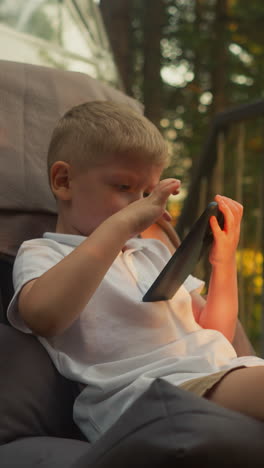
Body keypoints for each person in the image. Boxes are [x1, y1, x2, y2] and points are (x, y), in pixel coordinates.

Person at [7, 101, 264, 443]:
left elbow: (216, 332)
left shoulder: (153, 252)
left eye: (146, 192)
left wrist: (224, 263)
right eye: (124, 188)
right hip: (152, 395)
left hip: (217, 373)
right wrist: (122, 224)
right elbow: (43, 315)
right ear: (64, 180)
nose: (142, 205)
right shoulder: (45, 254)